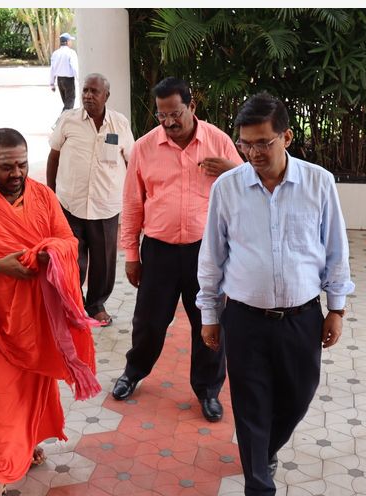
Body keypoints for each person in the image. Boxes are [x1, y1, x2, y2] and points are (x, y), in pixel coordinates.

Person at [196, 93, 355, 496]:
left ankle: (265, 448)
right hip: (244, 318)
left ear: (286, 136)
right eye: (246, 144)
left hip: (302, 317)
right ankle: (258, 494)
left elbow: (336, 250)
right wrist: (209, 314)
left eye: (264, 142)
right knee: (250, 406)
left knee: (300, 393)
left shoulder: (319, 183)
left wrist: (336, 308)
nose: (254, 153)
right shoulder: (227, 189)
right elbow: (212, 258)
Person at [0, 128, 99, 496]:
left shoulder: (43, 196)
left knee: (32, 384)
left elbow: (67, 242)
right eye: (6, 166)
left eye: (22, 165)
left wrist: (48, 255)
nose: (16, 173)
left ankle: (27, 445)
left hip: (34, 313)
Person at [114, 77, 242, 423]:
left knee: (209, 324)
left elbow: (249, 188)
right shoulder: (144, 147)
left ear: (192, 107)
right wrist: (131, 255)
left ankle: (208, 390)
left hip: (208, 252)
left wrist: (231, 170)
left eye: (176, 114)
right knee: (149, 323)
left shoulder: (218, 142)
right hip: (159, 251)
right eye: (161, 116)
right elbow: (132, 204)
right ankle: (134, 371)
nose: (169, 123)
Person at [46, 73, 134, 327]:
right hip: (70, 203)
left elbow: (131, 160)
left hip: (105, 205)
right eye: (85, 90)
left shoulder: (119, 124)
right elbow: (54, 155)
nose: (88, 95)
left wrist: (132, 197)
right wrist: (51, 193)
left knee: (104, 262)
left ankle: (96, 305)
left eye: (94, 91)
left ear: (106, 95)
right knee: (72, 260)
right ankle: (73, 304)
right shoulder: (68, 120)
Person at [49, 33, 78, 111]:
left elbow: (52, 69)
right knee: (69, 104)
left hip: (60, 81)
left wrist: (52, 83)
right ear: (67, 41)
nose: (71, 43)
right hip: (69, 81)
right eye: (70, 41)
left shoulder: (55, 53)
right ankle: (61, 120)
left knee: (66, 103)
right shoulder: (71, 52)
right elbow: (75, 67)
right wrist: (79, 80)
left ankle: (65, 120)